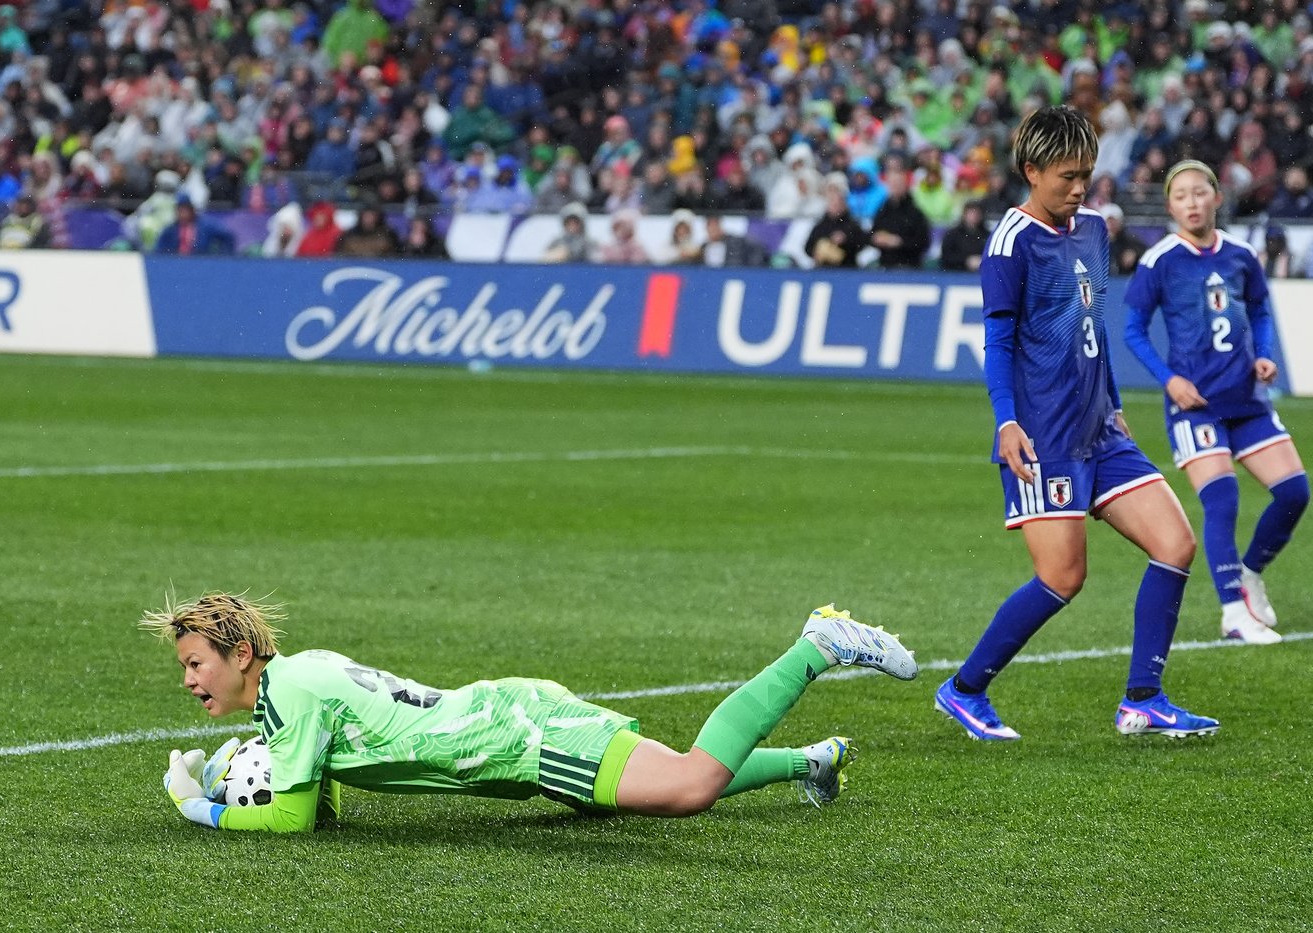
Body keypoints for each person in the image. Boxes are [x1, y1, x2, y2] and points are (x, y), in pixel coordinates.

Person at [145, 593, 918, 832]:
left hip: (517, 738)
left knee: (689, 786)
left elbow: (291, 819)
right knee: (652, 787)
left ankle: (816, 645)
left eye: (195, 662)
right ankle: (813, 760)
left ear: (239, 653)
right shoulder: (295, 680)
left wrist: (198, 804)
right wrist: (243, 766)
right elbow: (321, 804)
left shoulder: (291, 692)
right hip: (506, 724)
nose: (188, 678)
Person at [935, 107, 1218, 742]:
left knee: (1175, 544)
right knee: (1063, 577)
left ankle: (1143, 700)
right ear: (1031, 171)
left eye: (1086, 174)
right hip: (1045, 436)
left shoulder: (1092, 228)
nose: (1079, 187)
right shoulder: (1010, 243)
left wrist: (1113, 403)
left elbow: (1093, 326)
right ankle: (965, 689)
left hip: (1100, 429)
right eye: (1067, 176)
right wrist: (1006, 422)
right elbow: (998, 341)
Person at [1123, 160, 1307, 645]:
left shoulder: (1241, 254)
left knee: (1294, 492)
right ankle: (1233, 613)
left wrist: (1264, 355)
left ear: (1217, 198)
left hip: (1246, 398)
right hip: (1196, 406)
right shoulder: (1160, 260)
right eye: (1181, 195)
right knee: (1222, 501)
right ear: (1170, 207)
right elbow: (1132, 330)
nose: (1192, 202)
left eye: (1199, 192)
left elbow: (1260, 309)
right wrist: (1169, 380)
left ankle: (1249, 573)